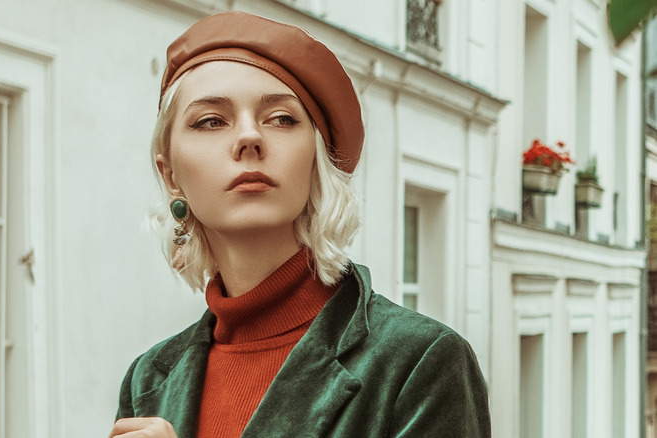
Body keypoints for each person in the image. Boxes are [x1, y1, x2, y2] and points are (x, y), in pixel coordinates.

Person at [110, 11, 491, 438]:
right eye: (211, 121)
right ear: (171, 176)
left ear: (316, 162)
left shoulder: (419, 362)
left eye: (281, 118)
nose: (249, 137)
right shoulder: (148, 379)